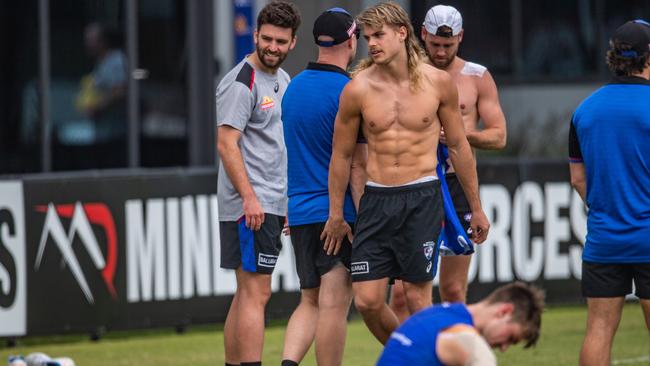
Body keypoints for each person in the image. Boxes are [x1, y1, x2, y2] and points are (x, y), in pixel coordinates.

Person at [322, 1, 490, 344]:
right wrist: (336, 213)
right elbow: (341, 156)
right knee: (368, 301)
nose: (373, 44)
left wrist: (475, 206)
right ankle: (410, 352)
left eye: (379, 35)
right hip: (376, 198)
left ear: (402, 33)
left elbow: (458, 148)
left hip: (422, 197)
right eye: (368, 38)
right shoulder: (357, 88)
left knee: (417, 299)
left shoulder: (439, 83)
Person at [390, 4, 508, 322]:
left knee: (454, 290)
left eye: (449, 45)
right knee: (401, 295)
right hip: (414, 184)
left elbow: (499, 136)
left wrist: (461, 133)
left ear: (460, 38)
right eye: (435, 45)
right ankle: (411, 354)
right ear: (423, 35)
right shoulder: (405, 73)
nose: (441, 52)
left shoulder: (477, 76)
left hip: (455, 185)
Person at [215, 2, 301, 365]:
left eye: (281, 41)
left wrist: (284, 203)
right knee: (257, 292)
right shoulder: (241, 81)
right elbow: (226, 143)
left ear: (293, 42)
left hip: (270, 201)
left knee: (246, 293)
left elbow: (278, 147)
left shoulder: (284, 80)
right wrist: (250, 198)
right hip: (251, 203)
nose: (272, 47)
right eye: (266, 38)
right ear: (255, 35)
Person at [280, 8, 366, 366]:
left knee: (309, 301)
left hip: (299, 213)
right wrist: (364, 220)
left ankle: (288, 363)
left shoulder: (293, 88)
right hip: (338, 215)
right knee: (333, 305)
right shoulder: (350, 90)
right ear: (352, 40)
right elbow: (357, 165)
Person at [569, 19, 650, 366]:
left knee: (598, 329)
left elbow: (577, 178)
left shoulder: (585, 110)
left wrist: (604, 208)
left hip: (604, 239)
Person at [376, 282, 544, 366]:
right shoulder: (467, 338)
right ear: (504, 312)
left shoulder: (437, 312)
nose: (504, 347)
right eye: (511, 338)